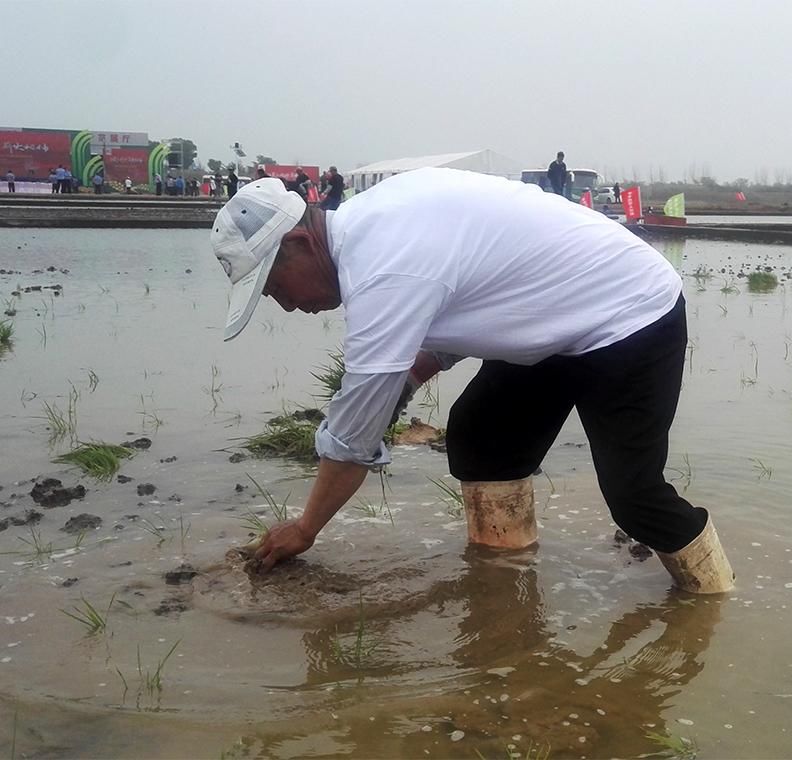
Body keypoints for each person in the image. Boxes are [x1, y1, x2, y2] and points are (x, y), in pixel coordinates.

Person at [210, 170, 735, 594]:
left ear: (301, 241)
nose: (286, 305)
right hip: (550, 316)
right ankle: (503, 594)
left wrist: (305, 529)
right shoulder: (374, 227)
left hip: (630, 315)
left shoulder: (383, 266)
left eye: (275, 287)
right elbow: (478, 294)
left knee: (635, 498)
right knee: (481, 439)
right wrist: (414, 373)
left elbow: (353, 438)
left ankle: (716, 602)